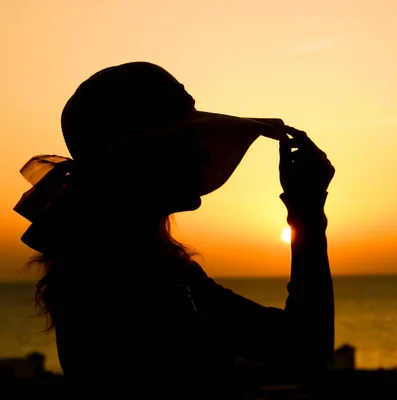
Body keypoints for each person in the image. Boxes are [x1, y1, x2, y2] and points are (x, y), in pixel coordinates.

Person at [14, 62, 335, 396]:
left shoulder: (154, 270)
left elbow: (301, 346)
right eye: (186, 139)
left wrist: (306, 210)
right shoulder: (127, 277)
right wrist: (308, 213)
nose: (202, 152)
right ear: (139, 157)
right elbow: (306, 349)